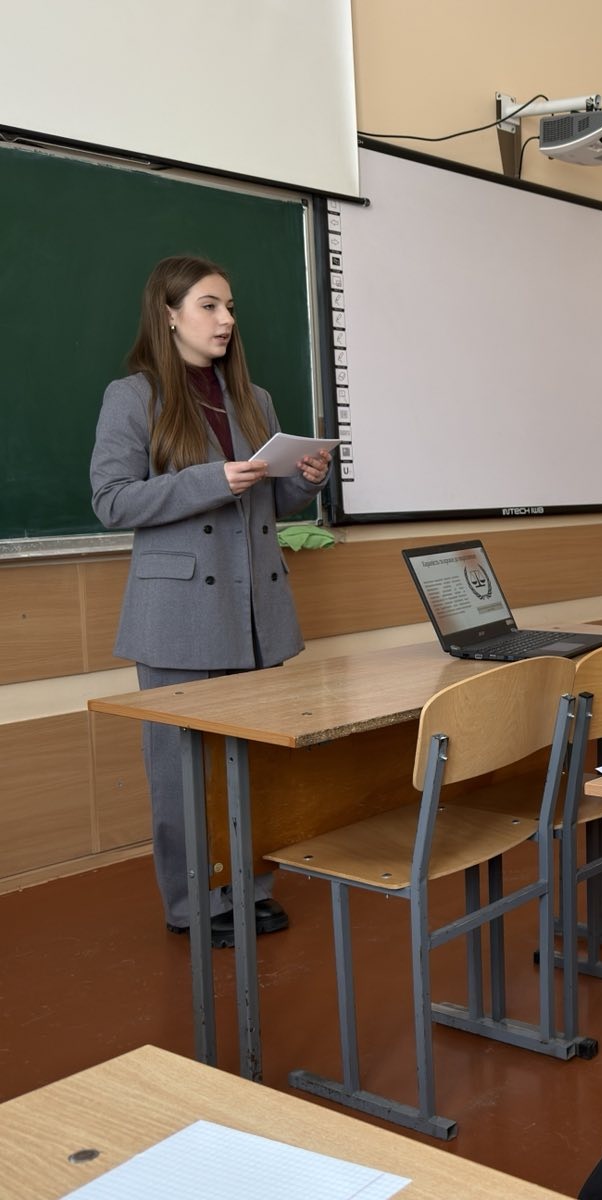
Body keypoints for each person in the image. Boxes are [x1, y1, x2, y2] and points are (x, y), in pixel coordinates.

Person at [90, 255, 330, 947]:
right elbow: (111, 500)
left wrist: (305, 479)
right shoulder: (132, 396)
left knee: (253, 765)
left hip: (255, 608)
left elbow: (270, 503)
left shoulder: (254, 398)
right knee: (182, 771)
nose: (226, 320)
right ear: (168, 314)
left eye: (229, 307)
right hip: (179, 615)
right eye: (209, 306)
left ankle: (249, 891)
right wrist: (209, 480)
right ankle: (193, 905)